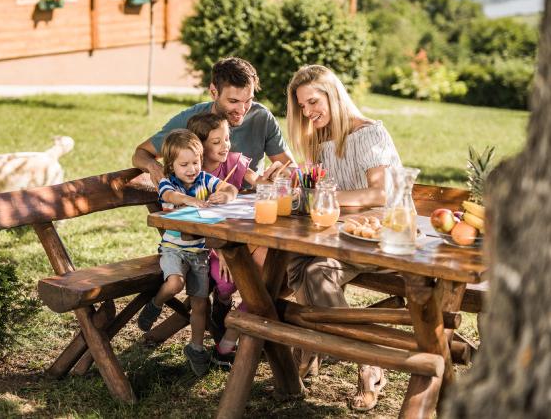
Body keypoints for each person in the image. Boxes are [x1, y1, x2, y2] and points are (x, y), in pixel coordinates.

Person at [285, 65, 402, 412]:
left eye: (312, 102)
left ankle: (361, 361)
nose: (307, 112)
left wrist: (326, 196)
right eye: (302, 107)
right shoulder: (319, 140)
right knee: (296, 264)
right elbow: (315, 190)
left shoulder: (370, 134)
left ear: (332, 95)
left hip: (378, 234)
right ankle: (325, 348)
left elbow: (379, 194)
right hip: (337, 235)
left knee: (313, 272)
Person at [136, 129, 238, 376]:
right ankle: (155, 303)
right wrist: (191, 201)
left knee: (200, 304)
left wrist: (222, 195)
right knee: (175, 283)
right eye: (184, 164)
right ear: (171, 165)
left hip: (200, 253)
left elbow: (231, 189)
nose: (192, 169)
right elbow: (169, 196)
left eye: (196, 162)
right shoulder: (168, 182)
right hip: (173, 249)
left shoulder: (204, 179)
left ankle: (196, 347)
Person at [132, 56, 293, 188]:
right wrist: (154, 167)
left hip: (249, 211)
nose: (242, 109)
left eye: (248, 100)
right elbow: (141, 153)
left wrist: (281, 174)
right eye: (233, 101)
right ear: (213, 92)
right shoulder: (190, 120)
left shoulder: (261, 117)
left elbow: (289, 168)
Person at [185, 112, 262, 369]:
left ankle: (231, 325)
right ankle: (224, 313)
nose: (225, 146)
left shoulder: (233, 163)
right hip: (206, 246)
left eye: (227, 139)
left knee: (262, 268)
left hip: (237, 240)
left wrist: (271, 180)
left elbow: (259, 181)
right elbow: (189, 227)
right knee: (226, 281)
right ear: (199, 145)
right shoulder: (190, 174)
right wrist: (223, 253)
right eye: (216, 142)